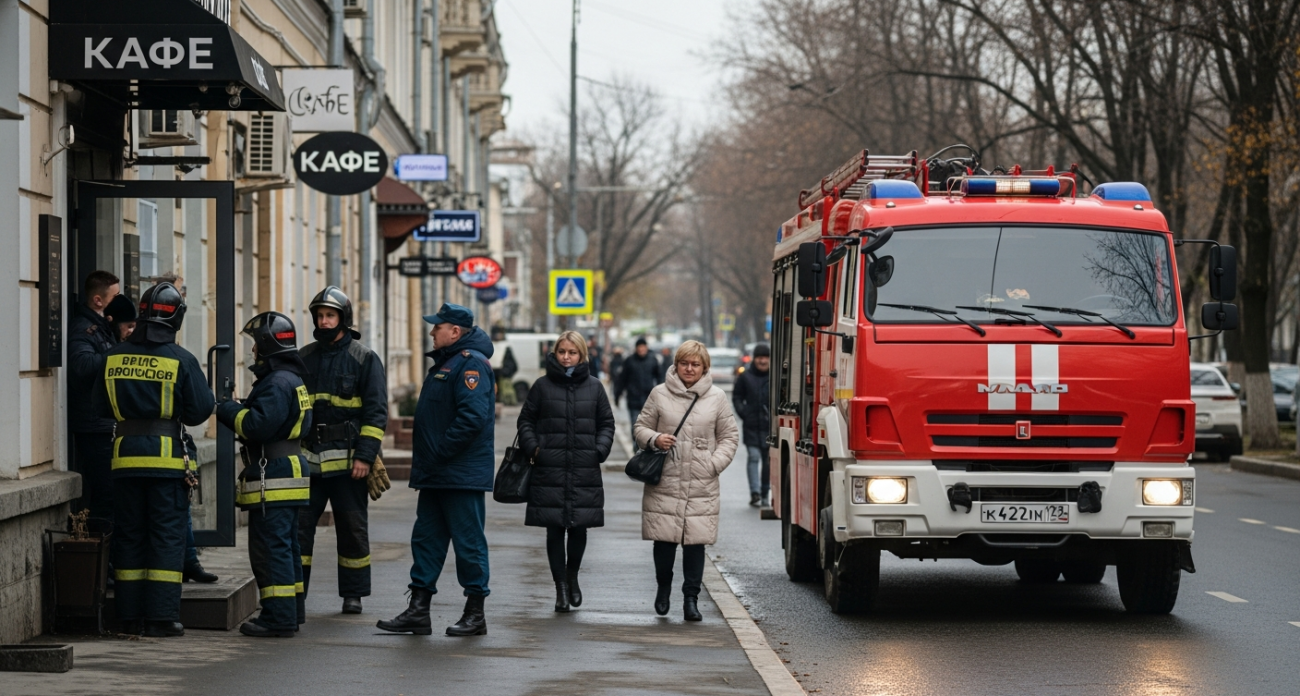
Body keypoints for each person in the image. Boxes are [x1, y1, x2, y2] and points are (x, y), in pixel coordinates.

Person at [94, 282, 215, 637]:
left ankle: (129, 615)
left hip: (124, 461)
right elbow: (200, 411)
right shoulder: (181, 359)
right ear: (176, 317)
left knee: (129, 536)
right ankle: (162, 618)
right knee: (165, 536)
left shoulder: (112, 356)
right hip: (166, 464)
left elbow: (99, 407)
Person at [378, 303, 495, 638]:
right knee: (426, 541)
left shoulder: (470, 366)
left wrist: (440, 452)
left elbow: (472, 418)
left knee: (468, 545)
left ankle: (475, 613)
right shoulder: (448, 363)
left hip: (458, 474)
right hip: (437, 473)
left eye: (437, 327)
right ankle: (418, 610)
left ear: (454, 332)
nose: (432, 332)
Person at [216, 312, 313, 638]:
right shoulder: (292, 380)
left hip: (274, 475)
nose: (253, 351)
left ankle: (278, 617)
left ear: (268, 347)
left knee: (270, 550)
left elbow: (256, 426)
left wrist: (227, 408)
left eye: (257, 344)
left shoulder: (275, 383)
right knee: (286, 546)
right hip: (289, 470)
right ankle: (292, 610)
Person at [297, 287, 388, 616]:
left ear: (343, 319)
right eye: (320, 316)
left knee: (352, 529)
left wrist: (365, 455)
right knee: (300, 530)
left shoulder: (364, 359)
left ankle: (353, 594)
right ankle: (296, 594)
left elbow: (376, 413)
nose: (323, 321)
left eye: (330, 315)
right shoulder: (304, 358)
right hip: (309, 461)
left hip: (350, 462)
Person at [633, 340, 739, 622]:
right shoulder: (659, 394)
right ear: (676, 364)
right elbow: (640, 427)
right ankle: (663, 589)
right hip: (665, 478)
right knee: (664, 541)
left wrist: (713, 464)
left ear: (704, 368)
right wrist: (655, 438)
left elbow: (729, 436)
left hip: (701, 482)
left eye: (695, 364)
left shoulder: (716, 397)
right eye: (684, 363)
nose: (689, 369)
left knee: (695, 543)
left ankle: (691, 600)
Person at [516, 332, 615, 612]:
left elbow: (607, 423)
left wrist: (599, 450)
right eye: (562, 352)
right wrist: (534, 448)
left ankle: (573, 577)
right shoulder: (542, 386)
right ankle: (560, 587)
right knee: (555, 529)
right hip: (550, 467)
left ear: (582, 355)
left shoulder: (595, 387)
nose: (566, 357)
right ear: (555, 354)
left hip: (584, 467)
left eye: (572, 352)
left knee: (579, 527)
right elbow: (526, 421)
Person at [70, 271, 120, 527]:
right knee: (105, 496)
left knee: (110, 495)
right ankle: (104, 564)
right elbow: (82, 364)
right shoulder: (84, 328)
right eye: (116, 296)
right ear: (99, 300)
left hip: (103, 425)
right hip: (93, 427)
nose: (120, 300)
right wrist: (119, 354)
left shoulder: (103, 326)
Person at [732, 343, 772, 507]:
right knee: (754, 458)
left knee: (768, 461)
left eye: (765, 358)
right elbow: (737, 397)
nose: (762, 361)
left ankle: (764, 493)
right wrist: (745, 414)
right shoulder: (745, 377)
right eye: (759, 358)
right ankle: (754, 492)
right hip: (751, 426)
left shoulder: (775, 377)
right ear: (754, 359)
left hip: (770, 427)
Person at [613, 337, 662, 426]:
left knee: (648, 426)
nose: (641, 349)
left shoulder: (652, 360)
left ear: (646, 348)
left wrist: (661, 395)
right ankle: (635, 440)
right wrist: (617, 395)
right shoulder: (629, 361)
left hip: (649, 400)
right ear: (636, 348)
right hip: (633, 399)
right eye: (639, 347)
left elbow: (659, 378)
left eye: (643, 347)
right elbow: (622, 379)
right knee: (635, 426)